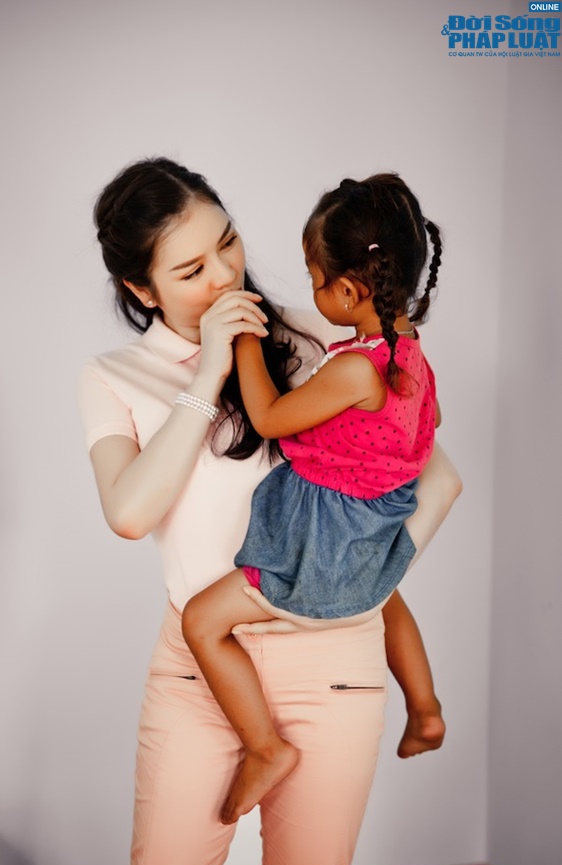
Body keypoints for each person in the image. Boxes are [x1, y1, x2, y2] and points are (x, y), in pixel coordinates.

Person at [79, 157, 462, 865]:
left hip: (333, 665)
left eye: (227, 242)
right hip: (198, 674)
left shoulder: (313, 336)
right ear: (142, 289)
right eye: (190, 270)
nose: (224, 275)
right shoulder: (114, 377)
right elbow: (130, 512)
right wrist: (208, 371)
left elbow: (427, 473)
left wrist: (353, 583)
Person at [182, 173, 446, 826]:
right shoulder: (407, 352)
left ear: (349, 291)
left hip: (325, 543)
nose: (311, 288)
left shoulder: (355, 369)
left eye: (314, 277)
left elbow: (269, 418)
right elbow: (423, 426)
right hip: (374, 529)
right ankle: (425, 708)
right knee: (384, 596)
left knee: (200, 622)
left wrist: (247, 339)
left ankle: (264, 746)